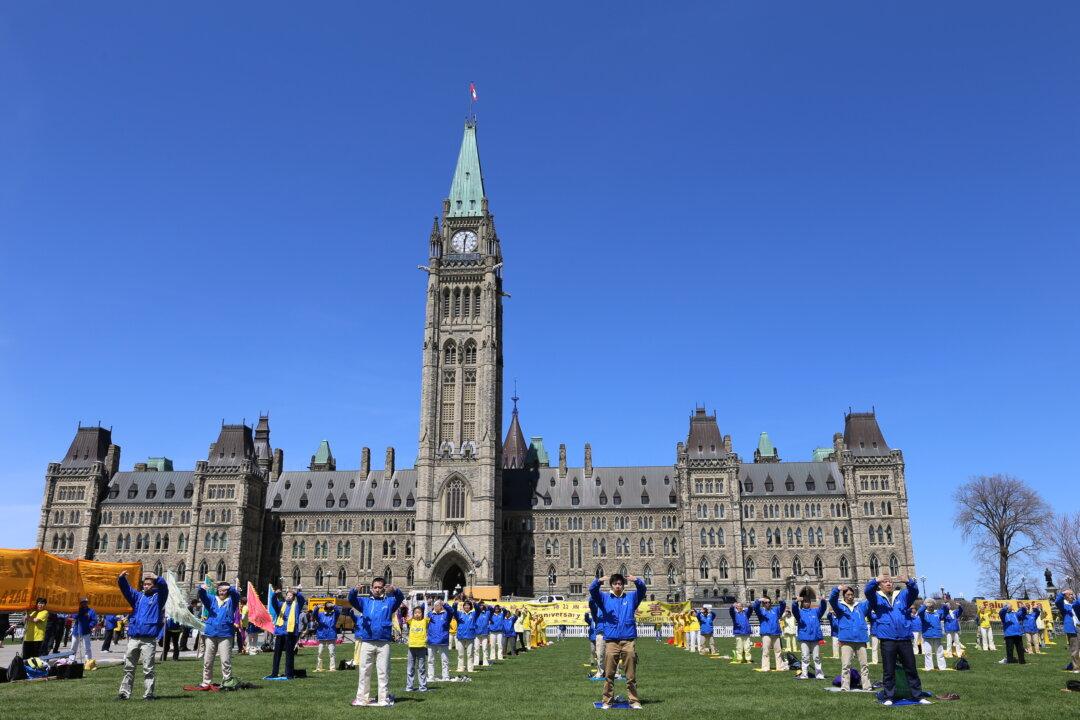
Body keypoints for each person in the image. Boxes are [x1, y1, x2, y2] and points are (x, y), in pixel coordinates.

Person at [864, 575, 929, 706]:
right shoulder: (876, 597)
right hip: (888, 638)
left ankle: (917, 696)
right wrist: (875, 580)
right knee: (889, 670)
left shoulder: (903, 595)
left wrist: (909, 582)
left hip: (904, 637)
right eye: (885, 581)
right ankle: (889, 696)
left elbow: (915, 592)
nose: (888, 583)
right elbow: (867, 591)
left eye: (890, 581)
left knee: (911, 668)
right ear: (880, 585)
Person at [590, 573, 646, 710]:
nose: (618, 586)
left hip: (628, 640)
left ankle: (634, 701)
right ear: (611, 585)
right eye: (615, 584)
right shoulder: (604, 598)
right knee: (609, 674)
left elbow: (643, 590)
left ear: (623, 585)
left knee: (630, 675)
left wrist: (637, 581)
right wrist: (598, 581)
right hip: (611, 641)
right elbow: (592, 591)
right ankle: (607, 701)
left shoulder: (632, 597)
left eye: (620, 584)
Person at [348, 577, 405, 707]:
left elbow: (400, 598)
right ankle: (362, 698)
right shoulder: (364, 602)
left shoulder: (390, 602)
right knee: (364, 671)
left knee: (383, 671)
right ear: (372, 588)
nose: (377, 589)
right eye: (375, 587)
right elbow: (351, 600)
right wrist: (354, 591)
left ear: (383, 588)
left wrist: (395, 590)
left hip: (383, 641)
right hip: (367, 641)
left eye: (380, 587)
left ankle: (383, 698)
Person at [117, 571, 168, 701]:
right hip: (134, 637)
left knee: (148, 668)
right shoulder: (137, 597)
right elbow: (126, 590)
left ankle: (149, 694)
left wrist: (157, 578)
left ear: (154, 586)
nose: (146, 586)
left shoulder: (158, 598)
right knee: (129, 667)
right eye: (144, 584)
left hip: (148, 640)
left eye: (149, 584)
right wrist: (122, 578)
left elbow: (164, 588)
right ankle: (124, 693)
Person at [829, 585, 873, 691]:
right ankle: (845, 686)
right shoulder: (840, 607)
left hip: (860, 639)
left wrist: (873, 587)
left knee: (864, 665)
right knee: (846, 665)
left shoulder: (861, 606)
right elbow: (832, 599)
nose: (850, 597)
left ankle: (866, 686)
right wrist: (838, 589)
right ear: (844, 596)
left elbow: (871, 600)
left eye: (852, 595)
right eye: (848, 595)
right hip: (846, 640)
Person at [199, 580, 240, 687]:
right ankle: (206, 682)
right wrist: (202, 589)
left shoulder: (231, 601)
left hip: (225, 634)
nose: (222, 592)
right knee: (208, 660)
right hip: (211, 633)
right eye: (220, 590)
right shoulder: (212, 599)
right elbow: (203, 597)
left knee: (226, 660)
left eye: (224, 590)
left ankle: (227, 681)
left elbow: (236, 594)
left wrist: (229, 587)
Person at [269, 586, 306, 680]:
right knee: (277, 654)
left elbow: (302, 599)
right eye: (287, 595)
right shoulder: (281, 605)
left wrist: (297, 593)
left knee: (289, 654)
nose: (289, 596)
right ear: (285, 597)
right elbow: (273, 602)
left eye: (291, 595)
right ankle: (274, 673)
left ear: (293, 597)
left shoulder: (297, 606)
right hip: (280, 632)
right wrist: (275, 594)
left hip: (290, 633)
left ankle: (289, 674)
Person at [795, 595, 828, 679]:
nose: (807, 603)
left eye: (808, 601)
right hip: (804, 637)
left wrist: (823, 601)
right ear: (802, 603)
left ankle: (819, 674)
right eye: (805, 601)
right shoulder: (799, 612)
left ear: (810, 603)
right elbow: (794, 610)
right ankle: (804, 674)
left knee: (816, 657)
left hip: (814, 637)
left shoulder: (815, 611)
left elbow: (823, 609)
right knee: (805, 656)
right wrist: (795, 602)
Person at [752, 596, 787, 671]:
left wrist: (781, 601)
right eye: (765, 602)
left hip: (776, 633)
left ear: (771, 603)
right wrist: (759, 600)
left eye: (768, 602)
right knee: (766, 651)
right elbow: (755, 607)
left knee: (778, 651)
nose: (767, 604)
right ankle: (765, 667)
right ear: (763, 604)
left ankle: (780, 667)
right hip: (766, 633)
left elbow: (783, 607)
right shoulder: (761, 611)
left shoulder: (776, 610)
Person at [917, 599, 947, 671]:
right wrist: (925, 605)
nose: (931, 607)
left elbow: (945, 613)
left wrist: (945, 606)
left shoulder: (937, 613)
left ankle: (942, 667)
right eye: (929, 606)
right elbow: (920, 611)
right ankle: (929, 667)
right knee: (928, 653)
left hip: (937, 635)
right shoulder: (924, 613)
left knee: (940, 652)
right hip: (927, 635)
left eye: (932, 605)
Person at [404, 606, 429, 692]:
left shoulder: (425, 621)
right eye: (416, 613)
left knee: (421, 668)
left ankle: (423, 687)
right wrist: (411, 599)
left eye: (419, 612)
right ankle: (409, 687)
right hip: (411, 647)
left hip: (421, 647)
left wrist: (425, 599)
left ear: (422, 614)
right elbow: (409, 611)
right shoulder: (411, 621)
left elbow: (426, 610)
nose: (417, 614)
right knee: (410, 668)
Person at [426, 599, 452, 680]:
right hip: (431, 640)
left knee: (445, 660)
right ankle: (431, 676)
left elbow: (451, 611)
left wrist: (445, 604)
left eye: (439, 605)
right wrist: (427, 602)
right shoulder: (430, 614)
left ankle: (446, 676)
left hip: (442, 641)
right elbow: (423, 611)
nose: (436, 606)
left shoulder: (446, 614)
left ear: (441, 606)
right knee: (430, 660)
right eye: (435, 605)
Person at [1054, 590, 1079, 673]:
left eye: (1072, 594)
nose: (1072, 596)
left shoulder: (1075, 603)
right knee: (1075, 649)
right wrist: (1063, 593)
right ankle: (1076, 668)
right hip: (1072, 629)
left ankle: (1072, 665)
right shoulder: (1064, 605)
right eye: (1070, 594)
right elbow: (1057, 601)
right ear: (1066, 596)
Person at [313, 601, 341, 672]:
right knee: (320, 652)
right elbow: (314, 614)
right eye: (327, 607)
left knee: (332, 653)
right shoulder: (320, 615)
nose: (328, 609)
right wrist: (317, 607)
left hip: (331, 636)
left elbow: (338, 611)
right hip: (321, 636)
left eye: (330, 607)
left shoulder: (334, 615)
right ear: (325, 608)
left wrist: (333, 605)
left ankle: (332, 668)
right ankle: (319, 668)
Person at [452, 598, 478, 672]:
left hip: (470, 636)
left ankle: (470, 668)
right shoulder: (459, 614)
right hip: (461, 636)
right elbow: (453, 611)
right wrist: (455, 604)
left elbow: (478, 610)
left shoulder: (473, 614)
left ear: (470, 607)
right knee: (460, 654)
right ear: (463, 607)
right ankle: (460, 668)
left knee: (470, 654)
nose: (466, 607)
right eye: (465, 605)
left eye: (468, 605)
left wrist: (475, 603)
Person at [70, 598, 98, 663]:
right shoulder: (77, 610)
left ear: (87, 602)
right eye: (82, 602)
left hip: (86, 631)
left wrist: (89, 626)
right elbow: (74, 616)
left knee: (87, 647)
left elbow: (94, 620)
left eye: (85, 602)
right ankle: (71, 660)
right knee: (73, 646)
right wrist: (80, 611)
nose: (84, 603)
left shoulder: (91, 611)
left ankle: (88, 661)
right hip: (76, 631)